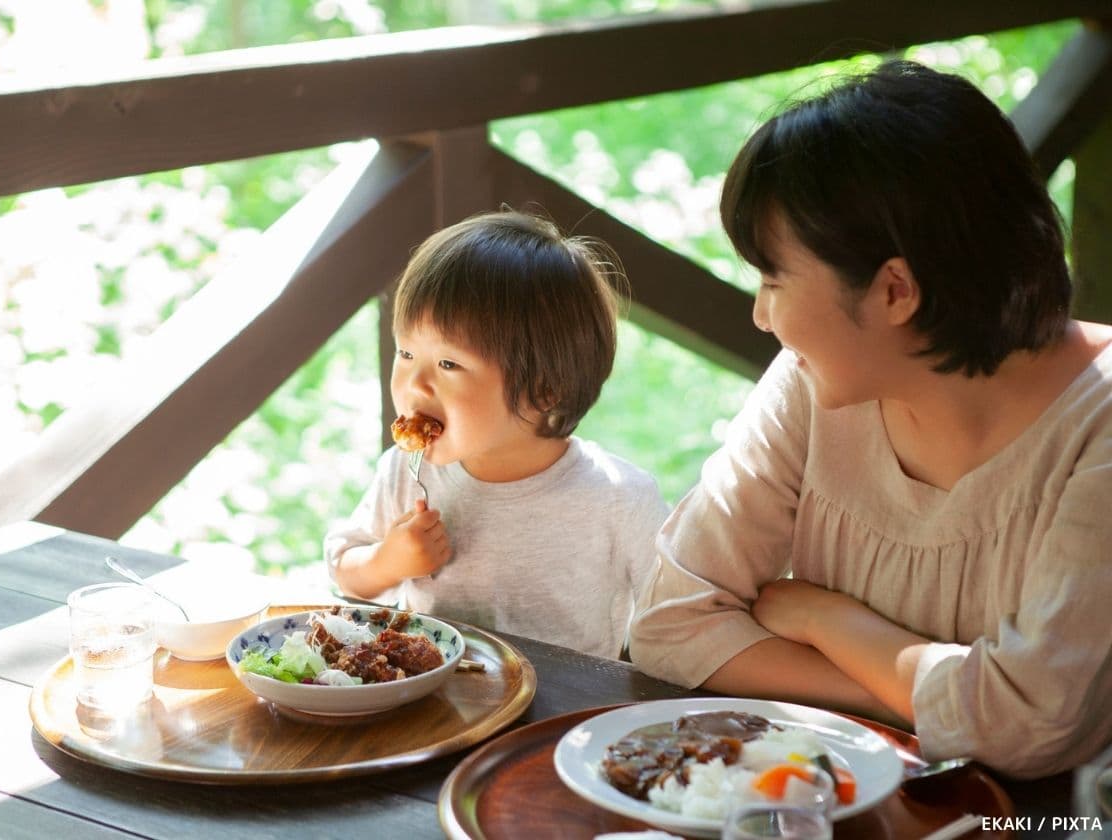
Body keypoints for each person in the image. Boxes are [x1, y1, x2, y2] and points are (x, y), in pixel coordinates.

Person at [628, 59, 1112, 779]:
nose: (761, 316)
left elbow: (1032, 732)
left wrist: (827, 621)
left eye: (772, 280)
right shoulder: (817, 383)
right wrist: (931, 701)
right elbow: (668, 625)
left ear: (894, 291)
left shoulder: (1095, 428)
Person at [326, 209, 669, 660]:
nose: (415, 384)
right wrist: (387, 563)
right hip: (435, 705)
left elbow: (676, 624)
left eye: (449, 364)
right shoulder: (406, 472)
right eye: (406, 352)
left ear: (545, 389)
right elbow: (344, 571)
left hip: (564, 716)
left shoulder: (619, 499)